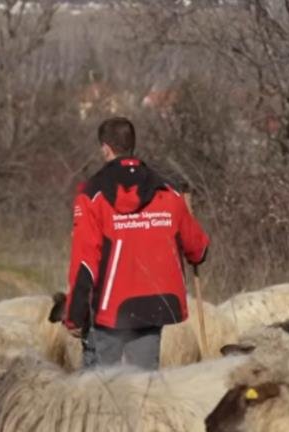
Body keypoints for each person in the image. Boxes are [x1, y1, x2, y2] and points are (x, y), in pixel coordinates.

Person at [62, 117, 210, 370]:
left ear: (105, 148)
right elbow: (199, 249)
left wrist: (75, 316)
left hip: (109, 309)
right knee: (143, 384)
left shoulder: (92, 195)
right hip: (154, 304)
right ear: (132, 145)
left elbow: (85, 262)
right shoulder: (168, 191)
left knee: (100, 387)